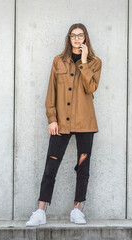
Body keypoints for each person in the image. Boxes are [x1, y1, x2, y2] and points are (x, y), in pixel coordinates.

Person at [26, 23, 102, 227]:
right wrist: (52, 118)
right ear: (68, 39)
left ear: (86, 39)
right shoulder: (58, 62)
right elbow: (51, 91)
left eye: (81, 35)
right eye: (73, 36)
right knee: (51, 165)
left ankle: (77, 209)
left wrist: (84, 62)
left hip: (85, 123)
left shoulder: (95, 63)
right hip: (61, 123)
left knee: (83, 168)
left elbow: (91, 87)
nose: (77, 39)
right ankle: (40, 211)